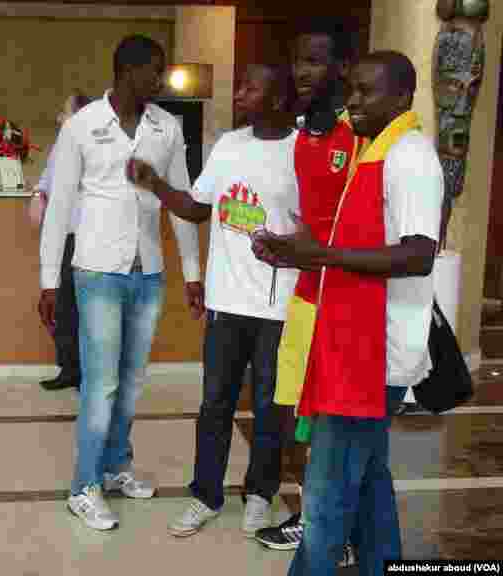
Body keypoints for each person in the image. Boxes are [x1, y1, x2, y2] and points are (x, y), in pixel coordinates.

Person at [254, 50, 442, 576]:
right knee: (369, 483)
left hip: (371, 353)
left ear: (402, 98)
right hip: (350, 340)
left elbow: (419, 253)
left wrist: (323, 256)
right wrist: (296, 250)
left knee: (327, 495)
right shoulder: (371, 149)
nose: (353, 102)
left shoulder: (409, 156)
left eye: (368, 92)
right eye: (352, 90)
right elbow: (347, 241)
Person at [39, 35, 202, 531]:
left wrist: (192, 273)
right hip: (97, 272)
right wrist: (48, 280)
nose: (160, 79)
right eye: (154, 71)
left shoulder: (166, 127)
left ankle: (114, 468)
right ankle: (83, 487)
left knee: (130, 384)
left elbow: (181, 201)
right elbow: (59, 205)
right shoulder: (82, 127)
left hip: (147, 272)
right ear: (126, 71)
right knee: (101, 384)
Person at [138, 64, 299, 538]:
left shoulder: (300, 151)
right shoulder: (229, 145)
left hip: (277, 306)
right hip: (227, 304)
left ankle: (260, 496)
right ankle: (205, 495)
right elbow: (195, 207)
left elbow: (315, 229)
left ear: (278, 98)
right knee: (214, 405)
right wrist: (155, 183)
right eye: (242, 85)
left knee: (271, 408)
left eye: (252, 87)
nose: (241, 93)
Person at [253, 22, 364, 569]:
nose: (303, 71)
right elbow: (311, 221)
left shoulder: (357, 135)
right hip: (304, 295)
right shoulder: (304, 136)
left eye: (316, 61)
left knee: (335, 423)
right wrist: (281, 245)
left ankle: (331, 528)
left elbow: (361, 229)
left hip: (344, 301)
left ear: (341, 68)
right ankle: (315, 519)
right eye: (299, 60)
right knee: (296, 409)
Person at [29, 90, 92, 392]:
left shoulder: (94, 147)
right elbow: (45, 180)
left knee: (88, 307)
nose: (58, 117)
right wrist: (37, 195)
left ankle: (87, 372)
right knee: (64, 305)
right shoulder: (60, 146)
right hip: (65, 236)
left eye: (64, 111)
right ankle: (69, 368)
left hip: (90, 236)